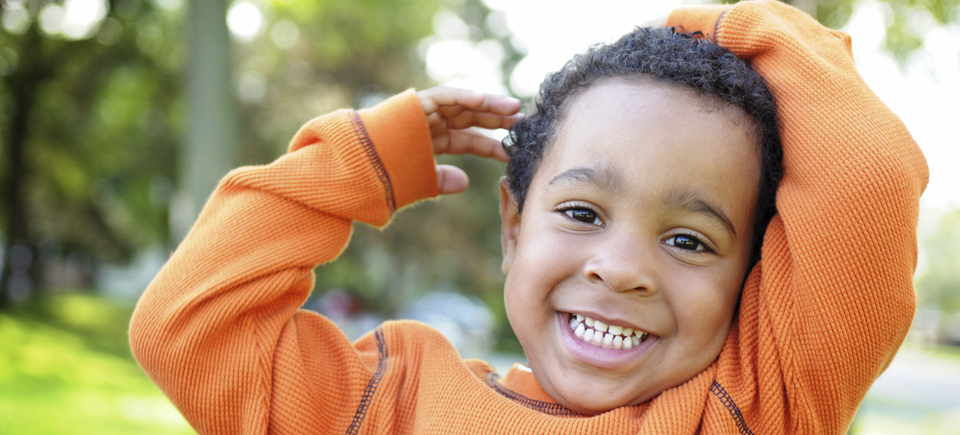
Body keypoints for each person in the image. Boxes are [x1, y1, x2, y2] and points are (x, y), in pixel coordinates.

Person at [130, 1, 928, 433]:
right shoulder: (385, 400)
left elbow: (872, 175)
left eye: (689, 239)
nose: (619, 266)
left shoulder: (752, 410)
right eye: (582, 211)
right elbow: (189, 324)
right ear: (512, 225)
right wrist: (363, 159)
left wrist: (713, 27)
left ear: (749, 280)